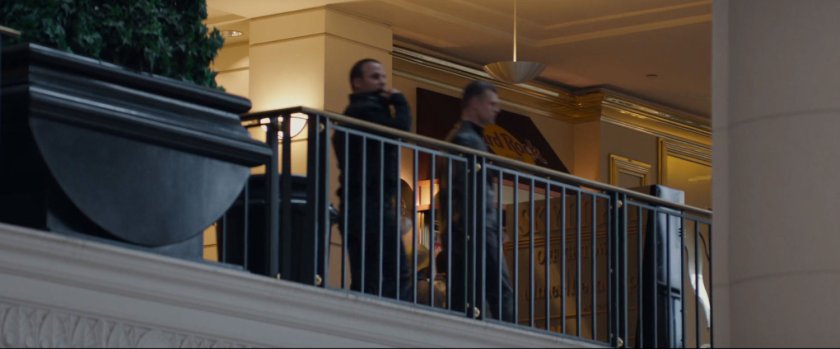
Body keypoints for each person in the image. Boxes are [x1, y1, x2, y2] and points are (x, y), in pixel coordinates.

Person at [333, 58, 412, 300]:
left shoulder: (355, 112)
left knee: (366, 275)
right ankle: (391, 315)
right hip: (372, 203)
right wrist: (399, 100)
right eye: (375, 77)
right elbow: (400, 130)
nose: (382, 82)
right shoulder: (367, 111)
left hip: (357, 205)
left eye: (383, 77)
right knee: (396, 272)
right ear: (357, 82)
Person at [438, 80, 514, 322]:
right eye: (492, 103)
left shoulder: (461, 137)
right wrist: (491, 227)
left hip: (465, 227)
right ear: (475, 104)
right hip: (477, 227)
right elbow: (473, 191)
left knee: (466, 291)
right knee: (500, 290)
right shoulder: (468, 140)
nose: (497, 109)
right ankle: (508, 335)